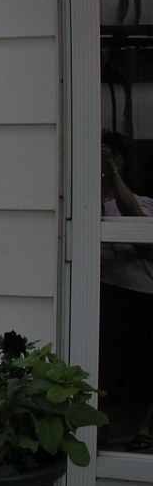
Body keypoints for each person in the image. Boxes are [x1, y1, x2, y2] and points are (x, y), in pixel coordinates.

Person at [100, 131, 153, 451]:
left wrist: (113, 172)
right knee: (113, 366)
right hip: (111, 294)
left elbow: (139, 233)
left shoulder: (143, 201)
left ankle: (144, 428)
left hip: (144, 295)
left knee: (146, 365)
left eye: (115, 156)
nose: (108, 162)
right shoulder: (88, 199)